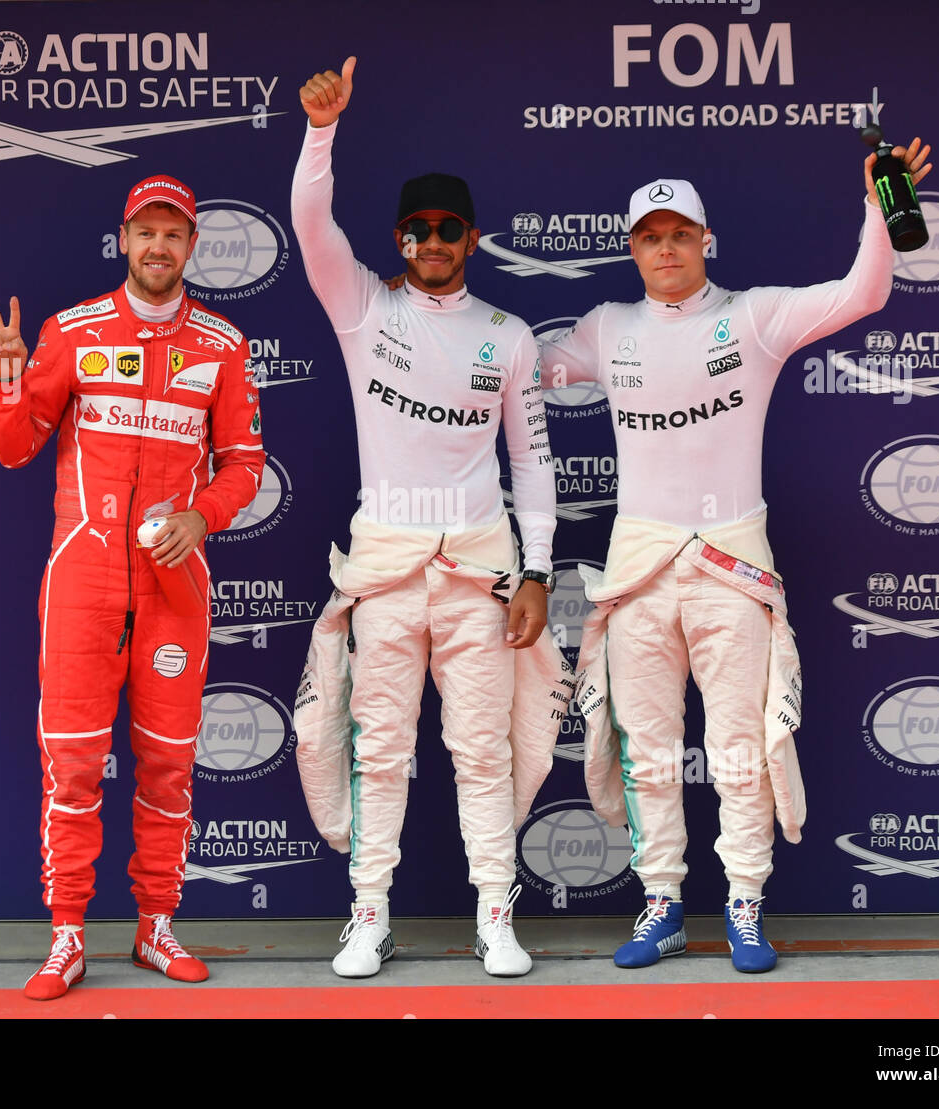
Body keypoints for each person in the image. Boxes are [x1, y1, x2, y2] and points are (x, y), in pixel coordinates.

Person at [541, 141, 932, 973]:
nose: (667, 249)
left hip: (732, 568)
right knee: (647, 751)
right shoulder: (606, 329)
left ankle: (745, 906)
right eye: (650, 236)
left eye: (680, 233)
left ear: (707, 239)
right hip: (639, 572)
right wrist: (427, 323)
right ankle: (662, 907)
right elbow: (516, 374)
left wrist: (875, 206)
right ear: (633, 248)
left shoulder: (752, 316)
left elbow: (864, 292)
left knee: (741, 752)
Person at [291, 57, 560, 978]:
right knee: (380, 750)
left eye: (448, 228)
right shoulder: (363, 307)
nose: (433, 240)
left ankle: (495, 914)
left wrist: (538, 571)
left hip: (481, 570)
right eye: (418, 228)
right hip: (385, 568)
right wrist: (322, 131)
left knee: (482, 750)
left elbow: (530, 460)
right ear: (401, 238)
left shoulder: (508, 336)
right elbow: (310, 226)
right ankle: (369, 915)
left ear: (472, 238)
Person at [0, 175, 265, 1000]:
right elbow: (14, 447)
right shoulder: (71, 331)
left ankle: (156, 927)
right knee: (71, 765)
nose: (158, 247)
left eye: (173, 234)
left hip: (176, 584)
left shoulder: (223, 344)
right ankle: (67, 934)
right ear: (122, 239)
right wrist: (7, 377)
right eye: (146, 231)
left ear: (192, 247)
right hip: (84, 580)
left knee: (169, 768)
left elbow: (245, 465)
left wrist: (203, 518)